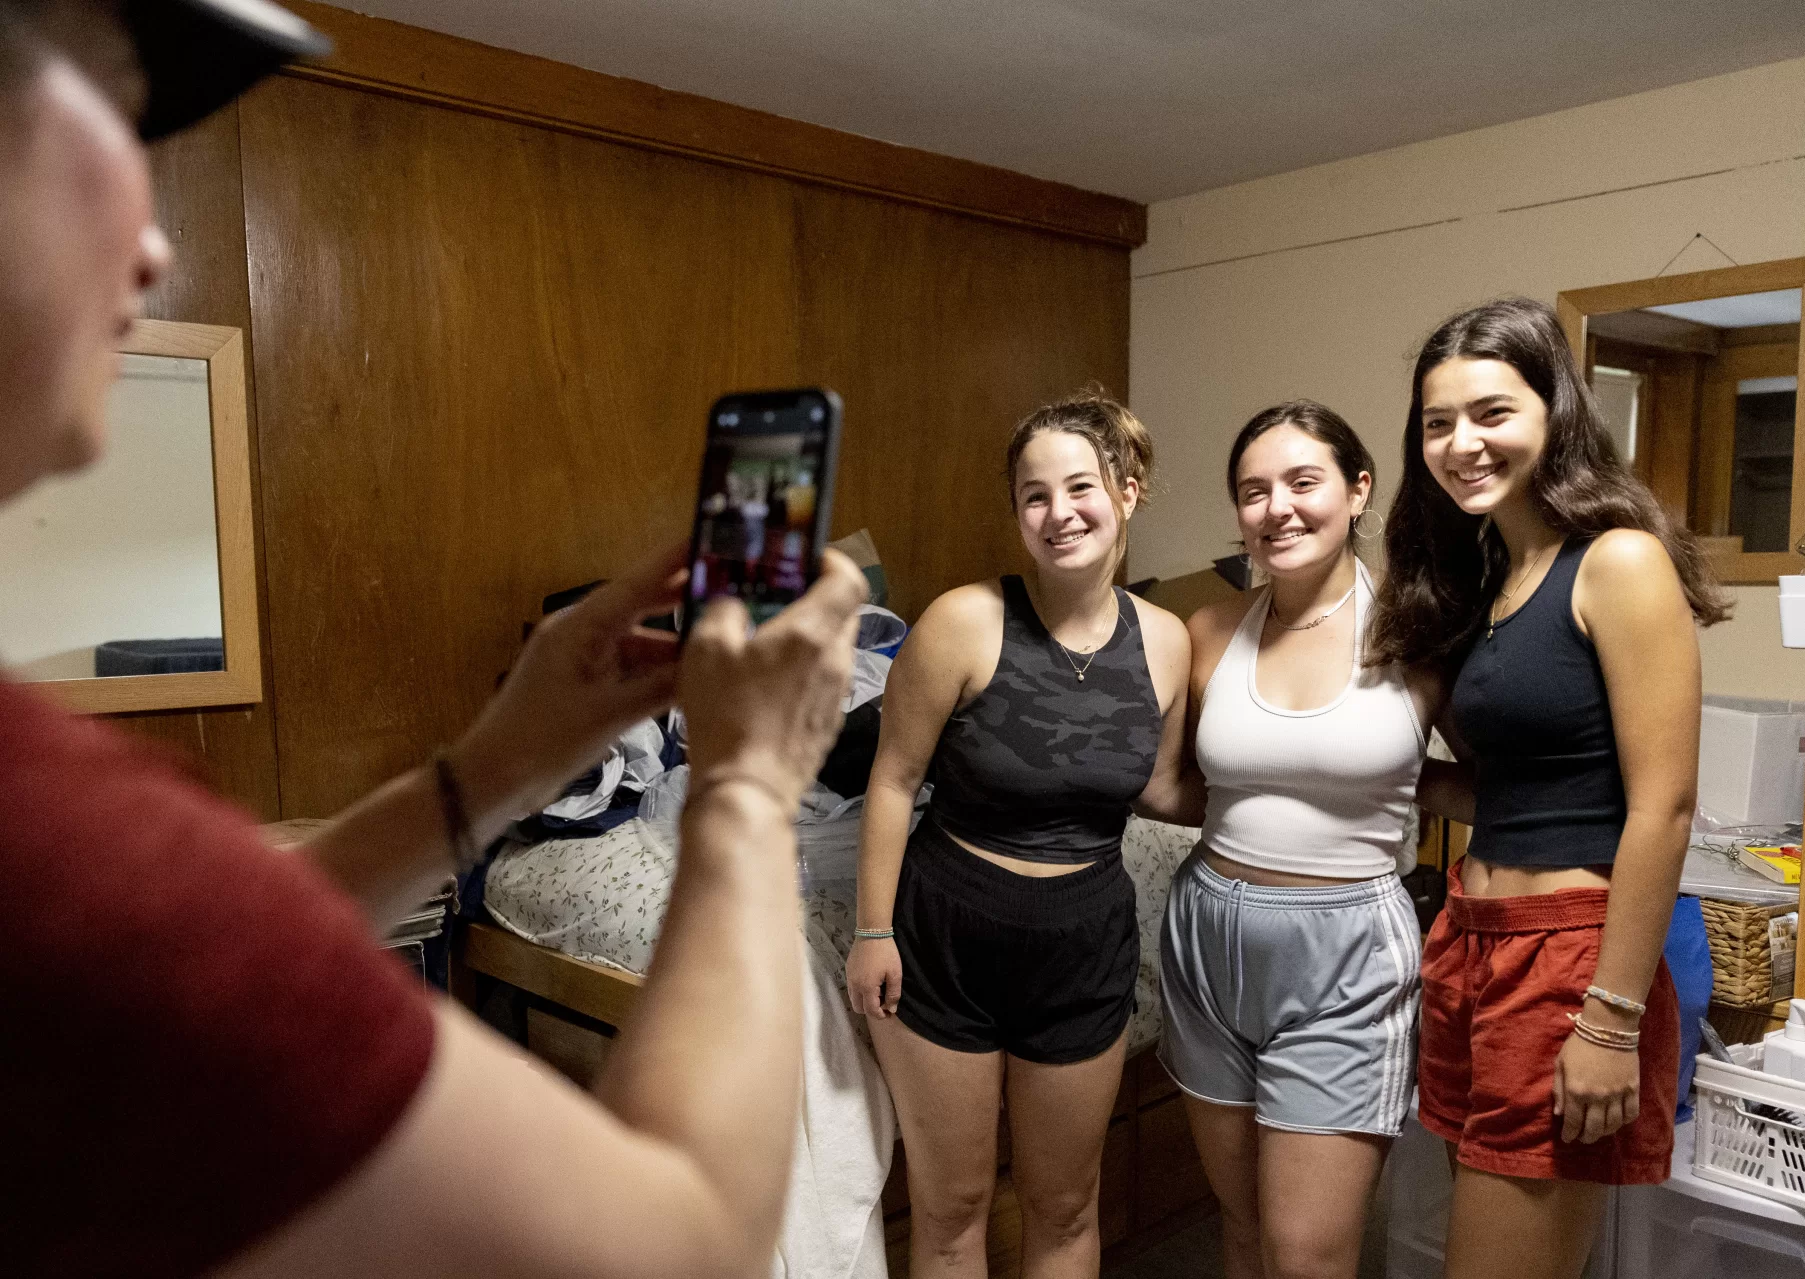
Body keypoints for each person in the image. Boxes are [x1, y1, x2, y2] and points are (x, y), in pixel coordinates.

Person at [0, 2, 869, 1275]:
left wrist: (499, 763)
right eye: (117, 115)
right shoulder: (46, 836)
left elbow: (218, 961)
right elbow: (673, 1244)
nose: (151, 243)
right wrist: (744, 789)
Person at [1372, 297, 1728, 1279]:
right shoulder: (1488, 576)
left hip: (1565, 960)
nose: (1460, 442)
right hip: (1467, 948)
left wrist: (1607, 1018)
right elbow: (1517, 787)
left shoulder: (1614, 561)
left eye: (1490, 412)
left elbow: (1661, 808)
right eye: (1436, 423)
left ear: (1553, 411)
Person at [844, 394, 1189, 1279]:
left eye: (1079, 486)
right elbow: (890, 779)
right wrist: (871, 930)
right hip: (946, 935)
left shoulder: (1167, 641)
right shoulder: (964, 620)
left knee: (1066, 1205)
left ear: (1128, 489)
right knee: (952, 1207)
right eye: (1033, 495)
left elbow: (1156, 785)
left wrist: (1288, 799)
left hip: (1083, 942)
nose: (1057, 512)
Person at [1152, 401, 1434, 1279]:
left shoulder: (1419, 633)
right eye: (1252, 490)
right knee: (1239, 1230)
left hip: (1347, 949)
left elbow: (1489, 772)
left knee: (1306, 1250)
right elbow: (1167, 786)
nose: (1277, 507)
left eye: (1301, 482)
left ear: (1357, 490)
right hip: (1209, 936)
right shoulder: (1207, 630)